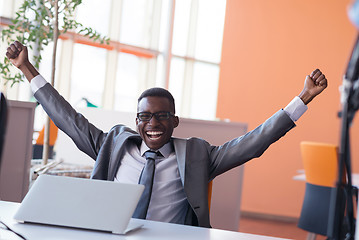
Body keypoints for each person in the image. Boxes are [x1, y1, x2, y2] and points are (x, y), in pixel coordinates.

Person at [6, 41, 327, 227]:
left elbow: (253, 143)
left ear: (175, 122)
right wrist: (26, 68)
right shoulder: (113, 145)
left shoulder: (199, 156)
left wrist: (302, 99)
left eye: (161, 116)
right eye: (145, 116)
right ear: (136, 121)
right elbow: (68, 118)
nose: (153, 123)